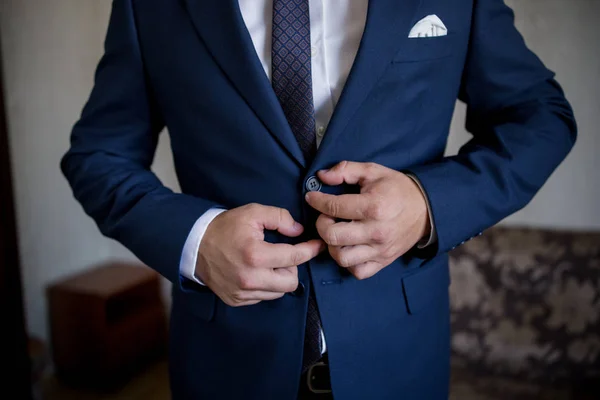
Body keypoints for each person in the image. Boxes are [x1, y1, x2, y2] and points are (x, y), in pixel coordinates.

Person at [61, 0, 576, 398]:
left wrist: (426, 205)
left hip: (400, 362)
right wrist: (196, 241)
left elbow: (541, 117)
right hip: (227, 365)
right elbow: (97, 155)